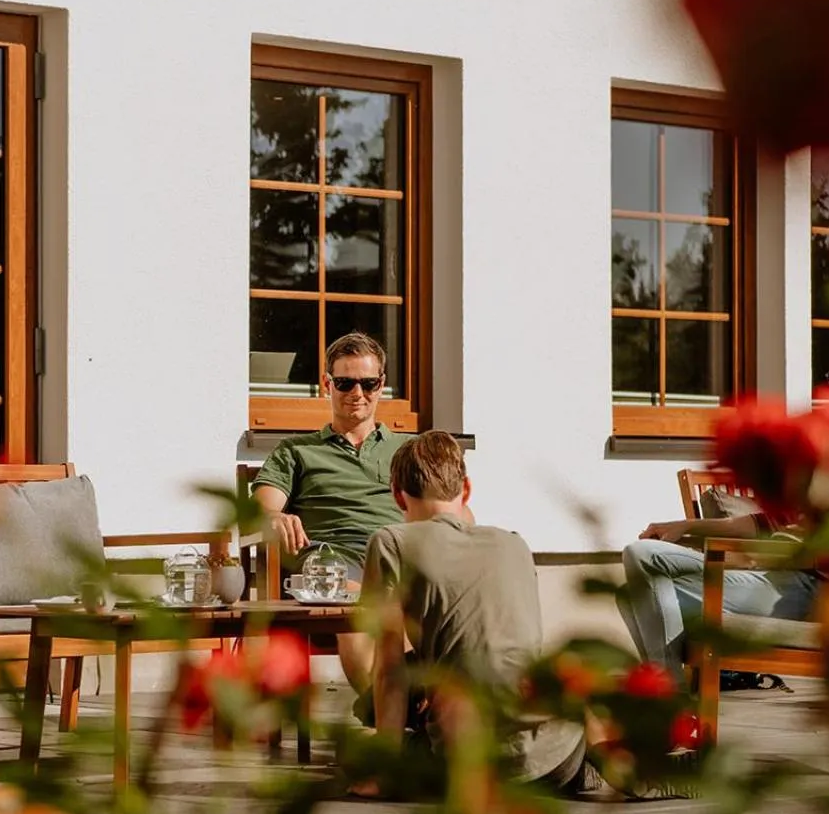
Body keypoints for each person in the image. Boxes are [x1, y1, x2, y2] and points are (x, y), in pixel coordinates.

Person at [621, 319, 829, 676]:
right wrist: (686, 525)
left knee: (644, 584)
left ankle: (673, 707)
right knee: (641, 588)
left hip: (826, 596)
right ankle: (682, 701)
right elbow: (775, 522)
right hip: (796, 582)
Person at [354, 431, 588, 790]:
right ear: (466, 489)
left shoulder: (391, 543)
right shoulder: (514, 543)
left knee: (363, 732)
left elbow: (389, 668)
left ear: (398, 495)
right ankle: (585, 769)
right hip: (558, 750)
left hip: (467, 760)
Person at [250, 332, 414, 693]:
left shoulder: (408, 450)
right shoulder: (297, 451)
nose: (358, 393)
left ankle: (432, 714)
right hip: (334, 558)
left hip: (400, 553)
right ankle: (388, 713)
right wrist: (275, 516)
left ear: (381, 385)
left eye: (369, 383)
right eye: (345, 383)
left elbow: (449, 505)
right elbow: (263, 504)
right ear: (327, 384)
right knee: (357, 606)